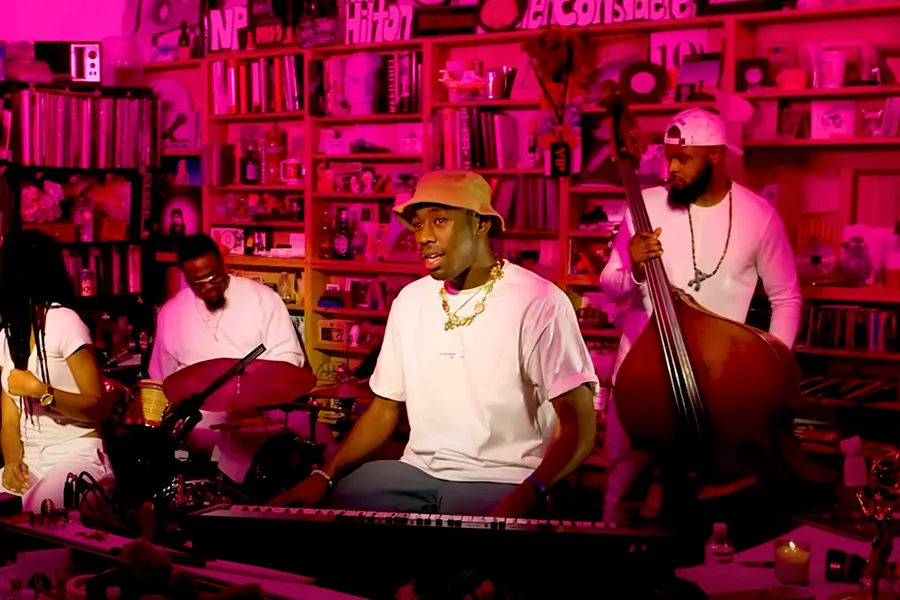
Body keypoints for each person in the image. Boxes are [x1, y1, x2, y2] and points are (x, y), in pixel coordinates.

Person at [272, 170, 598, 518]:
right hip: (416, 472)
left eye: (439, 221)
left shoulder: (539, 301)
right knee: (336, 514)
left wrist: (530, 493)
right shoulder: (410, 301)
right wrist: (324, 475)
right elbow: (384, 410)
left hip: (503, 478)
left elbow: (579, 424)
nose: (423, 237)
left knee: (459, 558)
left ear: (480, 224)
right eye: (417, 225)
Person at [600, 108, 802, 524]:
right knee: (622, 487)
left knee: (715, 495)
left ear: (715, 156)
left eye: (682, 158)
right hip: (642, 376)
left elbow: (786, 298)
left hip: (720, 378)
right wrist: (634, 265)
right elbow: (610, 285)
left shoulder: (758, 214)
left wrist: (771, 367)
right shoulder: (645, 205)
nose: (669, 167)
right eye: (667, 155)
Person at [148, 234, 334, 484]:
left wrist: (253, 391)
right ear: (186, 278)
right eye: (198, 284)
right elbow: (162, 378)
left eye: (214, 277)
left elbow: (289, 359)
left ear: (223, 264)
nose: (209, 286)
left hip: (261, 411)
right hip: (202, 419)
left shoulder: (262, 299)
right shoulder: (171, 313)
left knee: (319, 438)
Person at [0, 230, 113, 511]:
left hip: (77, 455)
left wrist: (42, 391)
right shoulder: (6, 336)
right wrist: (12, 461)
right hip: (31, 459)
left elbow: (97, 406)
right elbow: (9, 422)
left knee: (40, 510)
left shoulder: (63, 321)